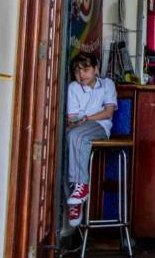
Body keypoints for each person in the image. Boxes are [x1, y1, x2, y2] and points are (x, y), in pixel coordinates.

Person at [65, 53, 118, 228]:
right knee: (68, 143)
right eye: (77, 71)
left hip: (100, 127)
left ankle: (82, 186)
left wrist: (86, 119)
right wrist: (76, 122)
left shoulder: (107, 84)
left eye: (86, 70)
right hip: (79, 127)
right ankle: (75, 201)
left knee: (76, 136)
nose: (82, 75)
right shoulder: (73, 87)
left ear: (96, 69)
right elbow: (71, 118)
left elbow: (108, 112)